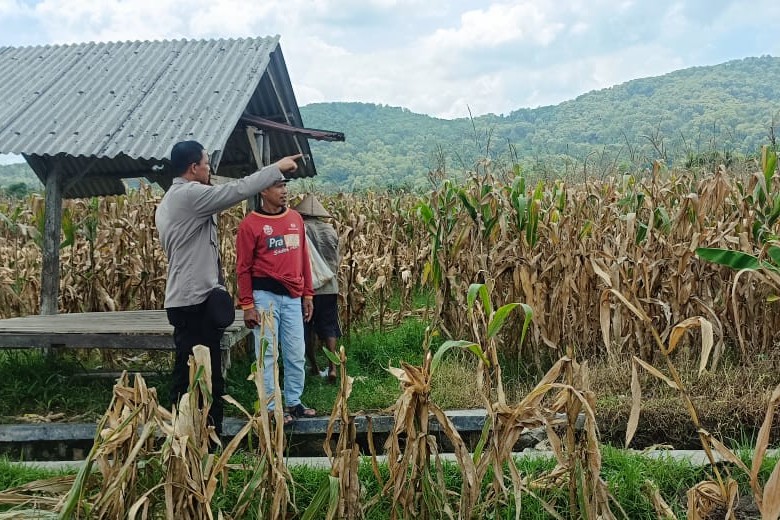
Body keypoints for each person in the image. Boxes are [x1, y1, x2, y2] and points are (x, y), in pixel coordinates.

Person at [155, 139, 302, 436]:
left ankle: (190, 435)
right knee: (203, 375)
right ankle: (205, 438)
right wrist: (275, 168)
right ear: (193, 168)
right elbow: (236, 190)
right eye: (207, 164)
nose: (209, 169)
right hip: (194, 301)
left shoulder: (171, 198)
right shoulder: (190, 195)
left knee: (189, 370)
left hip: (186, 298)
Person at [236, 177, 316, 426]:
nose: (284, 191)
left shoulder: (295, 219)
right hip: (264, 297)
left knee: (296, 352)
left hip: (293, 296)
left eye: (285, 186)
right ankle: (270, 407)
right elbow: (243, 268)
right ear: (263, 190)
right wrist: (248, 305)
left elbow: (304, 258)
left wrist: (308, 294)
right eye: (279, 186)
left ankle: (293, 401)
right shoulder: (250, 225)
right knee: (267, 353)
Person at [292, 194, 341, 383]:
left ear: (302, 213)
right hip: (329, 287)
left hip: (307, 289)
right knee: (329, 327)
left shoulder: (299, 229)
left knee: (306, 328)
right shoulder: (330, 230)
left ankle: (314, 366)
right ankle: (333, 367)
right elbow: (336, 259)